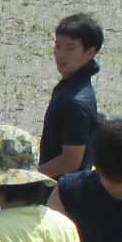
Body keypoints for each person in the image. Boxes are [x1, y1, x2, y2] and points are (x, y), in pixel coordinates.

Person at [41, 13, 103, 175]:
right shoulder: (70, 87)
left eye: (70, 48)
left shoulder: (76, 102)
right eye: (58, 45)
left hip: (62, 192)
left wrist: (31, 178)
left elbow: (70, 162)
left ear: (89, 53)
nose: (60, 54)